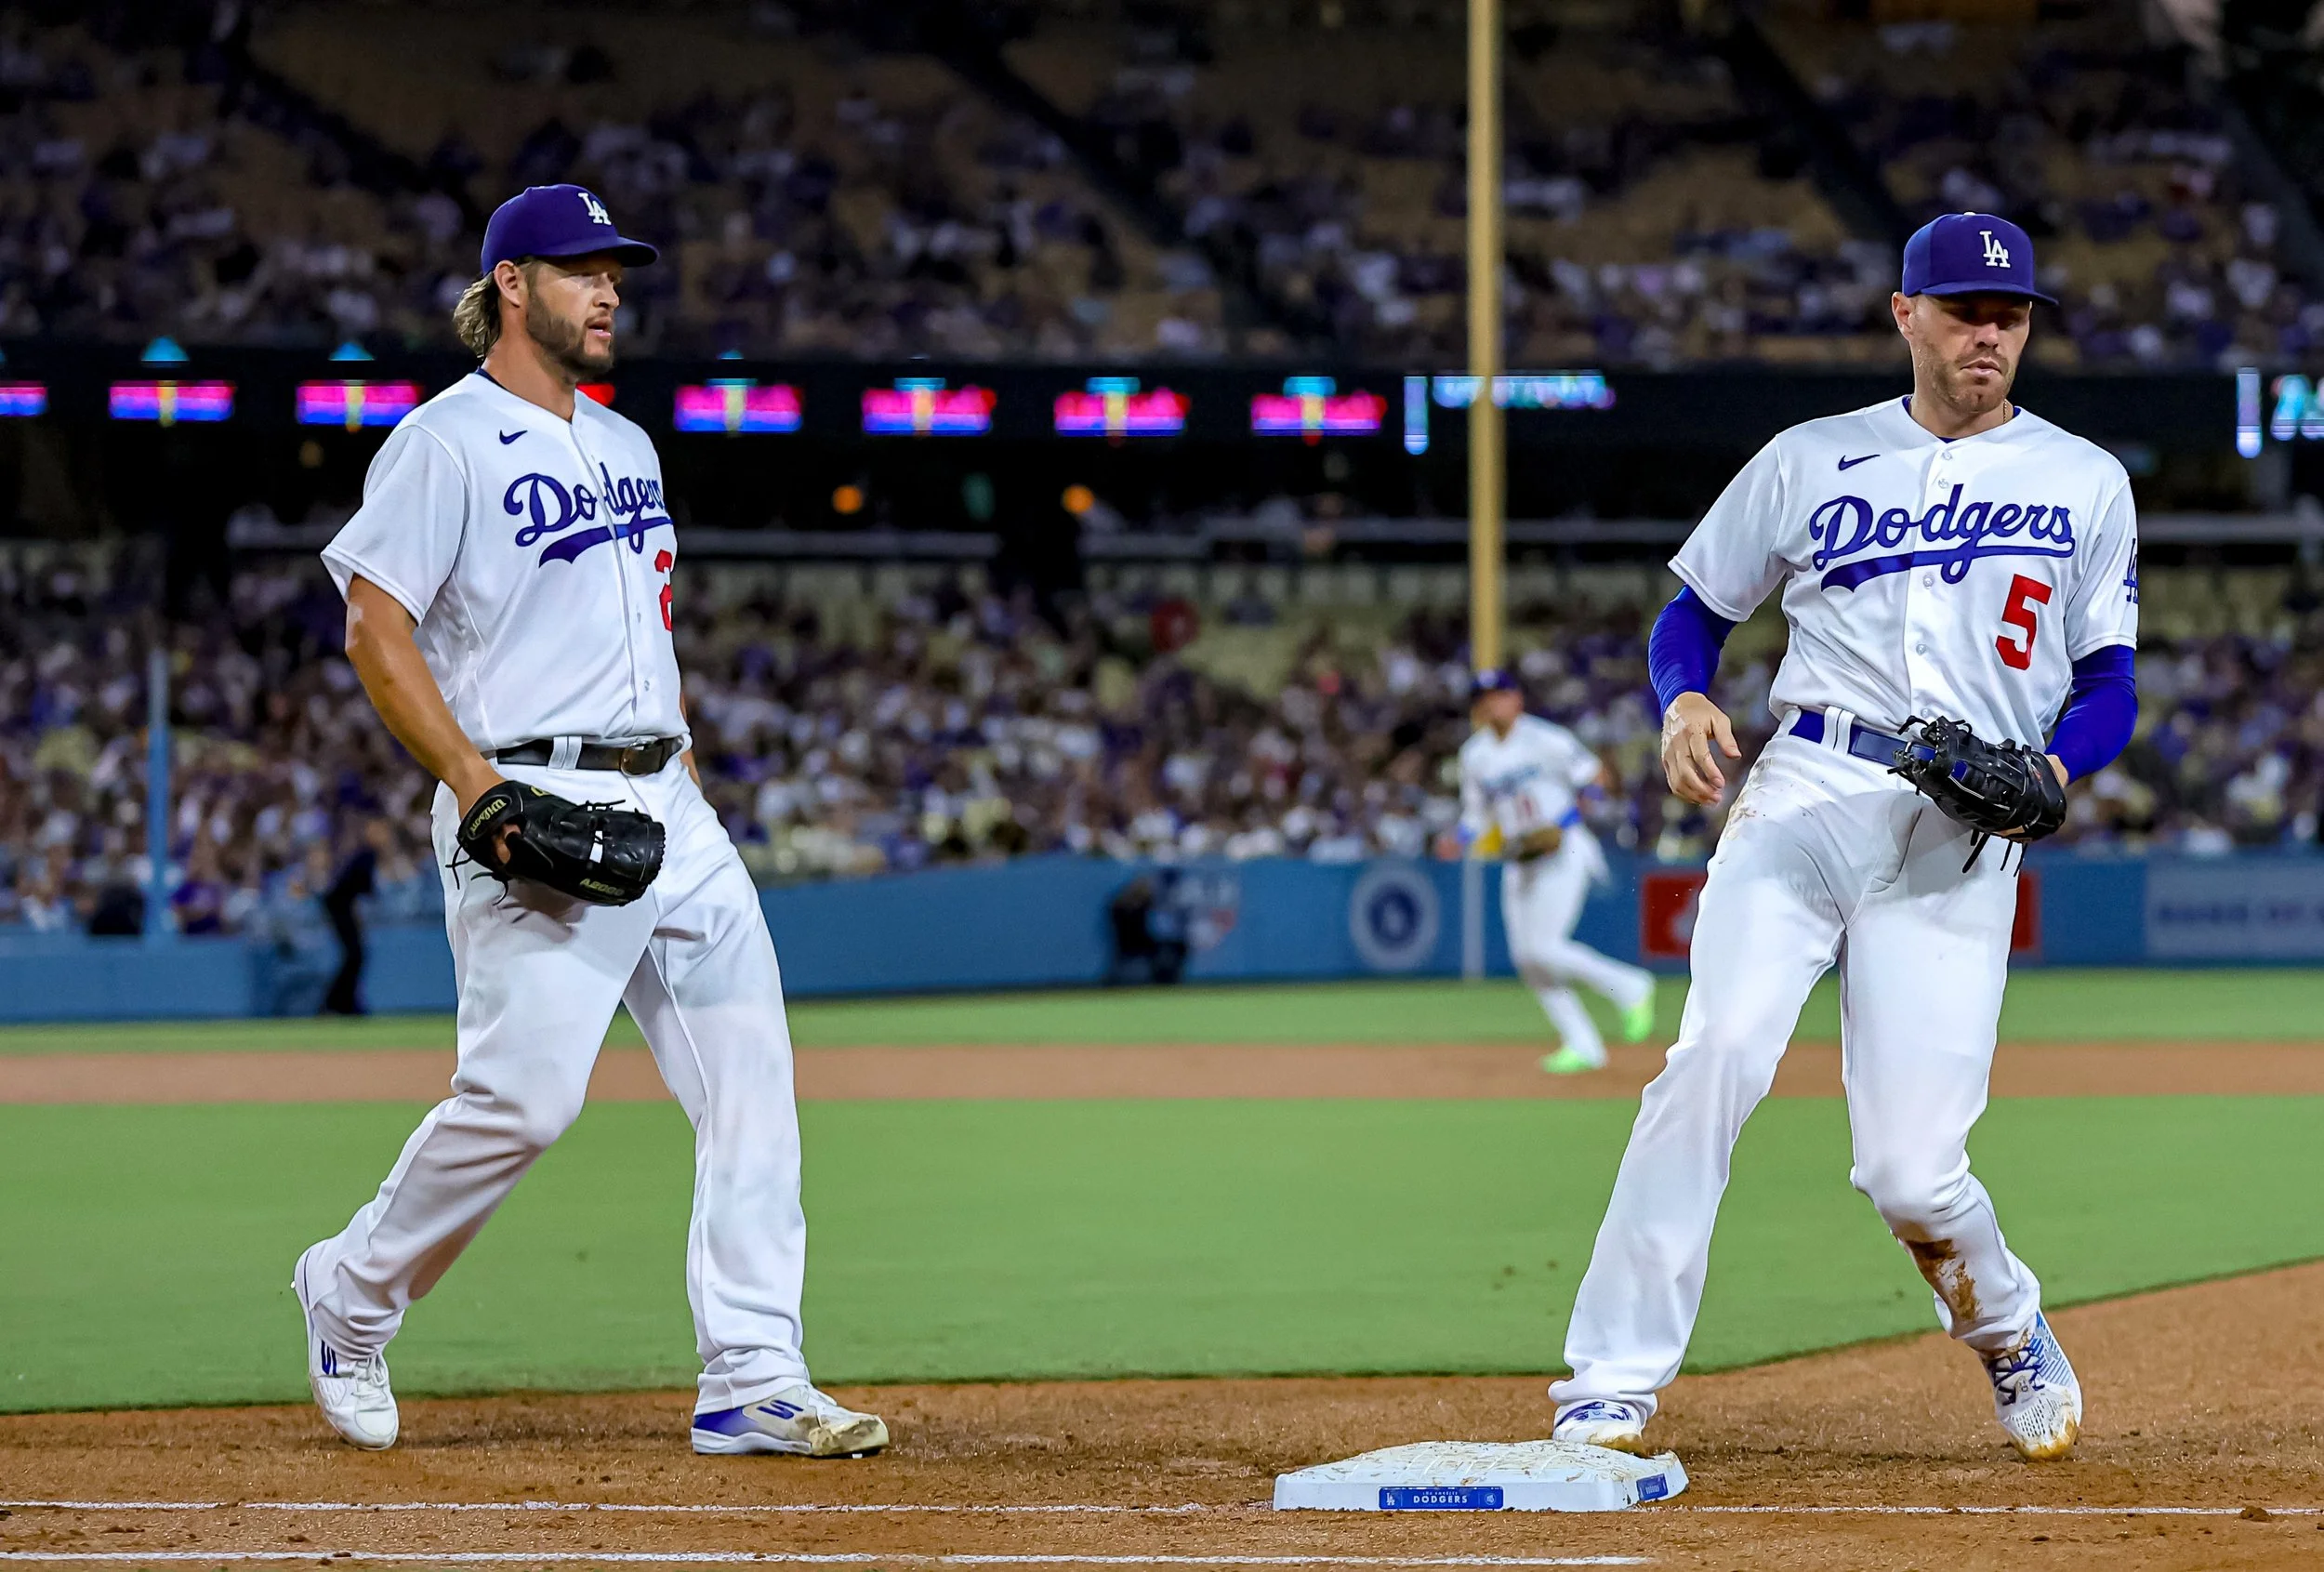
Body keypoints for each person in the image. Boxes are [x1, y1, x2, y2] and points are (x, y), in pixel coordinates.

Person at [292, 184, 885, 1460]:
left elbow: (636, 637)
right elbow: (374, 626)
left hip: (670, 799)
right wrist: (473, 785)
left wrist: (678, 768)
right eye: (580, 269)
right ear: (512, 285)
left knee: (751, 1076)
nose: (609, 290)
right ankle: (348, 1292)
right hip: (529, 794)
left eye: (615, 271)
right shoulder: (443, 442)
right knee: (525, 1101)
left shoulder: (629, 446)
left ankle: (752, 1370)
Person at [1550, 213, 2138, 1461]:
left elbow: (2110, 683)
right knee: (1710, 1059)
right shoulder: (1809, 456)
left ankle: (2008, 1321)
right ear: (1905, 314)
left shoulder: (2085, 477)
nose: (1990, 334)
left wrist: (2055, 767)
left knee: (1912, 1172)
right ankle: (1608, 1380)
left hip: (1958, 833)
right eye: (1966, 311)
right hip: (1806, 788)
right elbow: (1691, 613)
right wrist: (1685, 698)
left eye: (2011, 315)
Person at [1454, 670, 1656, 1072]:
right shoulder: (1474, 755)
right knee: (1526, 958)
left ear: (1516, 699)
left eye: (1499, 694)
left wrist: (1566, 818)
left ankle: (1631, 986)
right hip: (1520, 855)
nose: (1492, 703)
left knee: (1544, 947)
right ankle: (1583, 1045)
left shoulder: (1545, 739)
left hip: (1564, 848)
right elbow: (1476, 813)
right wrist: (1457, 839)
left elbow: (1596, 778)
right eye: (1483, 698)